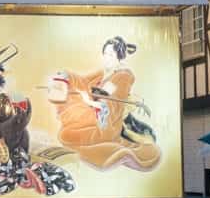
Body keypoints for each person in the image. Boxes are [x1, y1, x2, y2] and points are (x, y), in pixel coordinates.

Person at [52, 37, 160, 170]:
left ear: (119, 58)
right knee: (71, 110)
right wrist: (69, 77)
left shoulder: (122, 76)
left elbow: (109, 99)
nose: (107, 58)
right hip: (93, 111)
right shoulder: (103, 72)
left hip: (106, 123)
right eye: (105, 54)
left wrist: (89, 101)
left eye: (111, 55)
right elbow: (84, 82)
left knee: (70, 130)